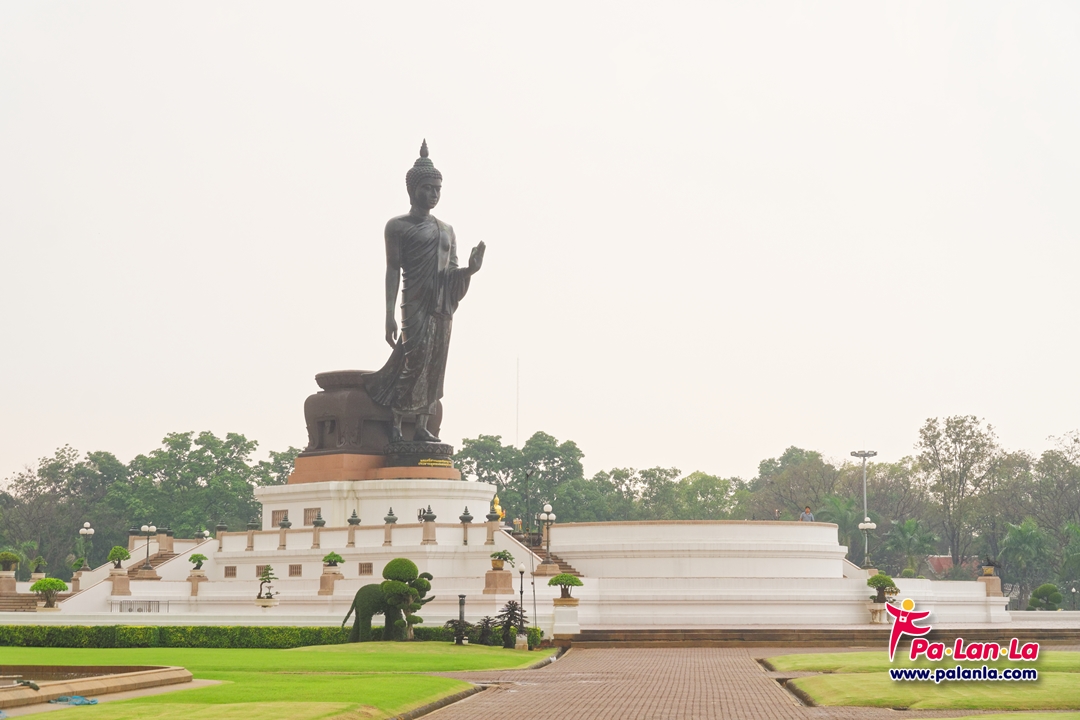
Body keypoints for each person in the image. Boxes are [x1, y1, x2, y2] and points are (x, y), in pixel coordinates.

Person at [365, 141, 485, 443]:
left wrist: (470, 270)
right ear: (413, 190)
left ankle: (421, 424)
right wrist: (389, 314)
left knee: (435, 363)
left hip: (442, 304)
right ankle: (395, 421)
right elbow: (393, 269)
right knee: (414, 359)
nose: (433, 194)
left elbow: (451, 272)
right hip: (414, 301)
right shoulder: (397, 226)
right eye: (428, 188)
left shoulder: (446, 230)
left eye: (438, 189)